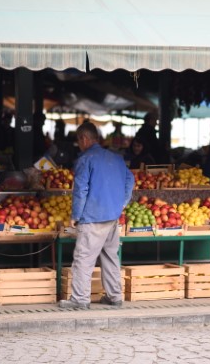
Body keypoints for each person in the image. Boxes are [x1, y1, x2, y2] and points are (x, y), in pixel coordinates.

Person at [59, 122, 135, 310]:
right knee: (110, 256)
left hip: (93, 217)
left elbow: (80, 190)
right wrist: (122, 203)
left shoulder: (85, 159)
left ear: (84, 139)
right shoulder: (116, 158)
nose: (79, 145)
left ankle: (80, 299)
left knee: (83, 258)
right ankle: (115, 296)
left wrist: (75, 215)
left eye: (79, 141)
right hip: (112, 217)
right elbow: (130, 180)